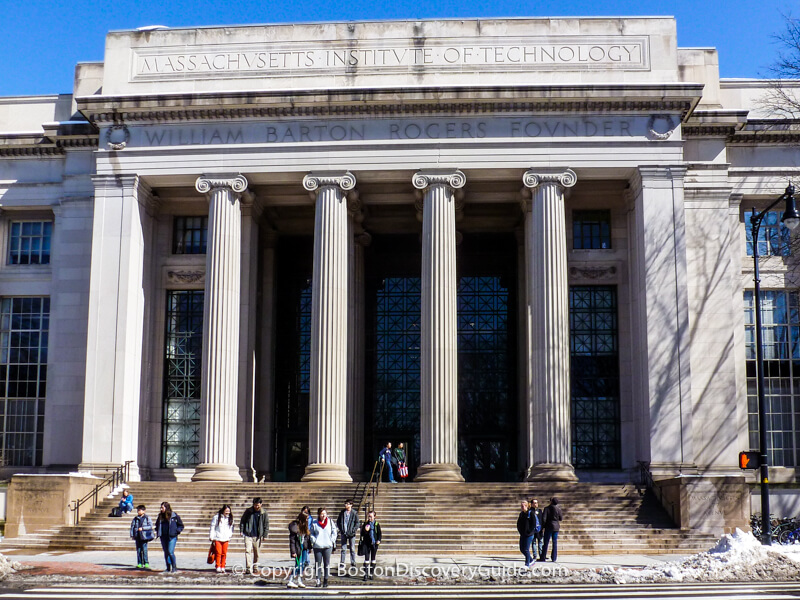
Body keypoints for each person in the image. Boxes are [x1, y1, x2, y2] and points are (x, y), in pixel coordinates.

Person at [240, 497, 269, 575]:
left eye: (258, 505)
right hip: (248, 534)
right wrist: (242, 530)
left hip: (257, 535)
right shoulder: (248, 511)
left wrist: (265, 535)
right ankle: (248, 567)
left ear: (261, 504)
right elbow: (243, 521)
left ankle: (255, 567)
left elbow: (266, 524)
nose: (257, 507)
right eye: (255, 505)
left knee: (256, 552)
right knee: (247, 550)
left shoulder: (264, 513)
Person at [310, 507, 338, 587]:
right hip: (318, 546)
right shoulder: (315, 522)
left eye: (325, 513)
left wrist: (332, 540)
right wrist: (314, 540)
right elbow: (311, 533)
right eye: (322, 514)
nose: (323, 515)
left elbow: (334, 531)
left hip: (327, 546)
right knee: (317, 564)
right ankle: (318, 579)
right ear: (319, 514)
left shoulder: (330, 522)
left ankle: (326, 579)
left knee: (326, 563)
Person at [154, 501, 184, 573]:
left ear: (166, 508)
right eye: (160, 508)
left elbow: (181, 525)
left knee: (170, 552)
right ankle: (168, 567)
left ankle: (174, 567)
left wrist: (177, 531)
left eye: (162, 507)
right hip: (163, 536)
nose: (161, 509)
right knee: (166, 552)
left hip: (172, 536)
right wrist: (158, 531)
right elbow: (157, 525)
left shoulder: (174, 515)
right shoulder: (160, 516)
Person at [287, 509, 311, 588]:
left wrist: (309, 547)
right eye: (306, 519)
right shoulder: (295, 527)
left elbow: (307, 538)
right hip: (298, 548)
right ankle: (291, 580)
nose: (307, 520)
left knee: (303, 564)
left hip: (304, 548)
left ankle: (299, 580)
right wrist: (293, 551)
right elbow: (292, 541)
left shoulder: (305, 527)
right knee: (298, 565)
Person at [209, 504, 235, 573]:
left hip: (226, 538)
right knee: (218, 552)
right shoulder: (216, 517)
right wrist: (211, 536)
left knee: (224, 553)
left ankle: (223, 566)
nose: (227, 513)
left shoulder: (230, 518)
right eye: (226, 511)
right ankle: (218, 566)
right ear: (223, 510)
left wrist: (230, 535)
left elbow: (231, 528)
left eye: (228, 511)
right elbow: (213, 527)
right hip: (218, 537)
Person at [336, 499, 360, 568]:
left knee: (352, 549)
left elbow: (357, 523)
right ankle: (342, 563)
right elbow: (338, 521)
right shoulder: (342, 512)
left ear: (351, 505)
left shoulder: (354, 513)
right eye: (345, 503)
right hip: (344, 533)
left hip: (351, 534)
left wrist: (353, 530)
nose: (346, 505)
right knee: (343, 549)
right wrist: (341, 529)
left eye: (347, 504)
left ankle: (353, 563)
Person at [359, 510, 382, 581]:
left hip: (374, 543)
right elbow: (362, 534)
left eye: (371, 517)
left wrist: (378, 540)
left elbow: (379, 534)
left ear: (374, 517)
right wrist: (365, 530)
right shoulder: (366, 524)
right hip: (366, 543)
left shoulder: (376, 524)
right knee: (366, 558)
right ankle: (365, 574)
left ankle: (371, 574)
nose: (369, 518)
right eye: (369, 516)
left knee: (373, 558)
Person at [539, 497, 563, 562]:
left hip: (549, 526)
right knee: (554, 542)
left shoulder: (547, 508)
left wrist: (542, 527)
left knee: (546, 542)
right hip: (556, 527)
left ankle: (543, 557)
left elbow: (544, 519)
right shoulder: (558, 509)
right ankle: (554, 557)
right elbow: (561, 518)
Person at [129, 504, 154, 569]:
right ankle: (139, 562)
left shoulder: (147, 518)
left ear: (144, 511)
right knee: (139, 550)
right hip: (137, 536)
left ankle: (146, 562)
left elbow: (150, 526)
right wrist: (132, 534)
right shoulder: (135, 518)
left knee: (144, 550)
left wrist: (143, 528)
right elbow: (132, 527)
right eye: (138, 510)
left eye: (140, 510)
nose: (138, 512)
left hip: (144, 536)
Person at [516, 500, 535, 568]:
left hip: (529, 535)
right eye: (521, 506)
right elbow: (518, 523)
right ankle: (531, 560)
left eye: (523, 506)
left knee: (526, 549)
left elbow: (534, 523)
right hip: (523, 534)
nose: (522, 507)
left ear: (527, 506)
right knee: (522, 549)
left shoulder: (531, 513)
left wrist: (529, 531)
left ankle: (527, 564)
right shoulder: (521, 514)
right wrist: (520, 530)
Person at [300, 505, 312, 571]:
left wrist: (310, 547)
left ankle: (306, 562)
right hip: (301, 543)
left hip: (306, 539)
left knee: (306, 551)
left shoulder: (310, 518)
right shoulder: (298, 526)